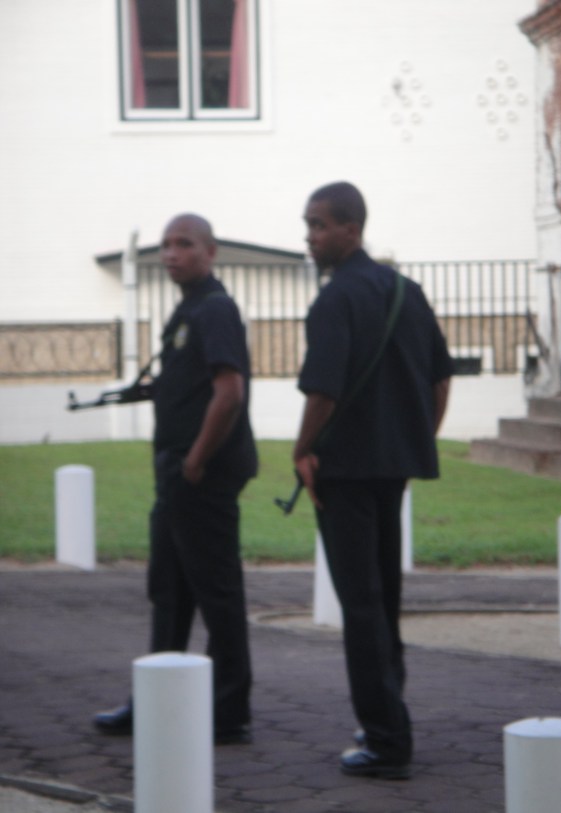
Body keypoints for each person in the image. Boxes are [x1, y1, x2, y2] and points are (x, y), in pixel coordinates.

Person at [293, 182, 453, 778]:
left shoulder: (335, 300)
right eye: (307, 225)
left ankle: (385, 740)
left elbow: (323, 391)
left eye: (319, 225)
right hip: (393, 470)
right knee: (385, 601)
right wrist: (416, 442)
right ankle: (388, 717)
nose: (310, 236)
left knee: (360, 604)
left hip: (348, 473)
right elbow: (439, 382)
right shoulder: (406, 293)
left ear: (352, 230)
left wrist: (302, 450)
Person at [94, 213, 258, 745]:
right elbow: (192, 381)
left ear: (210, 252)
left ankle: (228, 712)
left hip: (201, 474)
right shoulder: (188, 310)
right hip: (179, 474)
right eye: (165, 245)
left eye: (184, 244)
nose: (170, 253)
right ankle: (156, 700)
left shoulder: (215, 309)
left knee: (216, 593)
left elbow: (229, 391)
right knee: (168, 589)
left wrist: (194, 460)